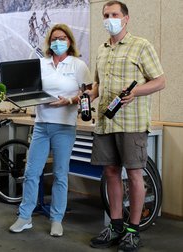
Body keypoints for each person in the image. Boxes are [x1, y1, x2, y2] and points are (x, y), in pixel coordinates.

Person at [87, 1, 166, 252]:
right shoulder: (101, 50)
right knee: (110, 172)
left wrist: (136, 92)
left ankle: (133, 230)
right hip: (105, 122)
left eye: (114, 14)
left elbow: (160, 81)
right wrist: (91, 95)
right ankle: (116, 225)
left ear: (126, 18)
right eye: (106, 15)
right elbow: (98, 84)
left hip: (131, 122)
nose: (109, 18)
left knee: (134, 174)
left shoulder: (141, 46)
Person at [9, 24, 92, 237]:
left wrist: (71, 100)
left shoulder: (78, 65)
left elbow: (89, 94)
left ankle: (57, 219)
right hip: (41, 126)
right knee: (31, 172)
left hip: (64, 127)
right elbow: (32, 88)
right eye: (55, 38)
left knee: (60, 174)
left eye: (63, 38)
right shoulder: (41, 63)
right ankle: (25, 216)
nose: (58, 42)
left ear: (70, 41)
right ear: (49, 42)